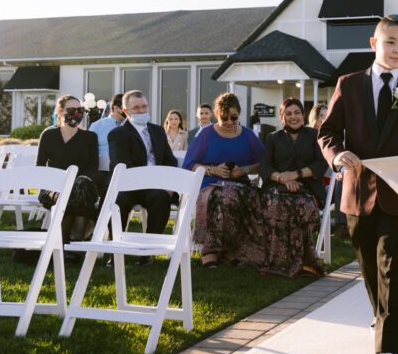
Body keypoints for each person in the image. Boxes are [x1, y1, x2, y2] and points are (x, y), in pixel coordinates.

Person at [318, 14, 398, 354]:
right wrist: (337, 155)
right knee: (369, 266)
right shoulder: (349, 84)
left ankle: (391, 347)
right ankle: (380, 315)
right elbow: (327, 131)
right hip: (357, 192)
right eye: (392, 42)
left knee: (392, 266)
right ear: (374, 43)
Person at [182, 92, 266, 268]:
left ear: (239, 114)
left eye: (233, 118)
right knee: (223, 198)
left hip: (239, 183)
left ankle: (232, 248)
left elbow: (265, 162)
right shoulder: (205, 134)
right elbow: (189, 164)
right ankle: (211, 250)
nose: (229, 122)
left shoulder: (248, 135)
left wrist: (243, 170)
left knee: (249, 198)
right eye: (224, 117)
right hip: (208, 183)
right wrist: (213, 170)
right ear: (216, 114)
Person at [258, 98, 329, 277]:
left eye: (297, 112)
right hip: (277, 188)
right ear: (282, 117)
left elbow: (321, 164)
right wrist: (282, 178)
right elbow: (265, 166)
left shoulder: (314, 135)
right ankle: (276, 261)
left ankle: (303, 262)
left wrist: (296, 174)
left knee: (301, 206)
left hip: (308, 188)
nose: (293, 117)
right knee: (274, 205)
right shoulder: (273, 137)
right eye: (288, 113)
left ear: (303, 115)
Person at [108, 90, 179, 235]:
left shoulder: (158, 131)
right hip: (129, 186)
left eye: (144, 107)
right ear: (126, 111)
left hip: (155, 187)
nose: (141, 111)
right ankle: (116, 249)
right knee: (118, 200)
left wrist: (168, 183)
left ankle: (148, 250)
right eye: (136, 108)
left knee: (162, 197)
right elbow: (121, 165)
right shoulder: (118, 134)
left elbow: (169, 160)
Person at [36, 95, 101, 244]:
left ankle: (64, 244)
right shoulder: (48, 135)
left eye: (80, 110)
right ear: (60, 112)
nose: (77, 114)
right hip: (53, 188)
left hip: (82, 186)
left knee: (79, 188)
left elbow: (93, 167)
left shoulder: (90, 137)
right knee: (68, 196)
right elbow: (40, 166)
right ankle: (74, 243)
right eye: (72, 110)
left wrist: (76, 183)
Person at [89, 93, 125, 170]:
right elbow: (89, 151)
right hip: (104, 171)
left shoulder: (131, 126)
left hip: (127, 170)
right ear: (116, 108)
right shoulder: (97, 125)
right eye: (124, 108)